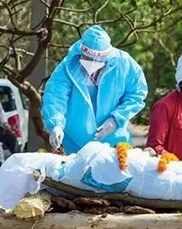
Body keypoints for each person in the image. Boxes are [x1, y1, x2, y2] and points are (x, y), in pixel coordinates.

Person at [41, 25, 148, 154]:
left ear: (107, 57)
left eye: (97, 60)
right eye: (87, 58)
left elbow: (137, 93)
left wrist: (116, 119)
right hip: (76, 144)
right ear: (81, 53)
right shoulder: (68, 67)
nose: (92, 63)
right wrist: (56, 124)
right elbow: (55, 96)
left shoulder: (124, 64)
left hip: (115, 141)